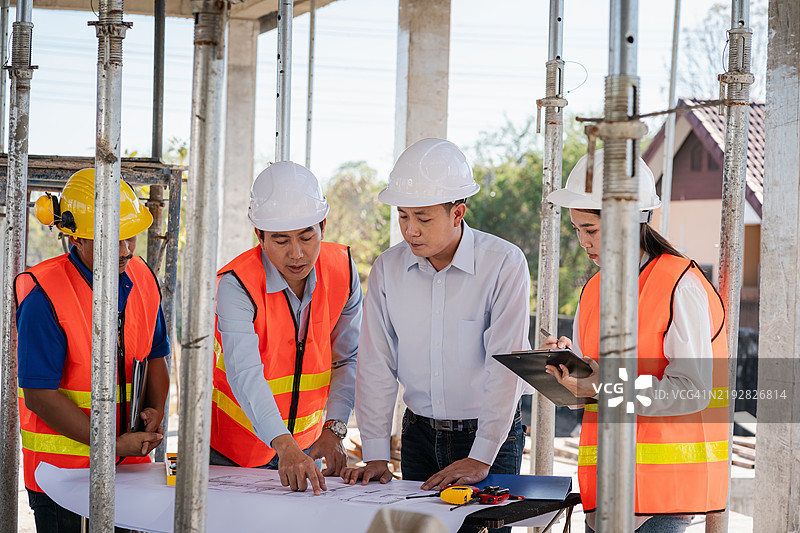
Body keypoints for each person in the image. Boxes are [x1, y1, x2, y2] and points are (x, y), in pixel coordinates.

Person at [542, 149, 729, 533]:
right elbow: (594, 388)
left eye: (591, 230)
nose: (582, 242)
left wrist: (604, 385)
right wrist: (567, 369)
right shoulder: (594, 290)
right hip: (605, 497)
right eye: (577, 229)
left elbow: (693, 391)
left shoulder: (680, 285)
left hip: (661, 503)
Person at [342, 138, 530, 491]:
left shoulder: (503, 264)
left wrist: (482, 454)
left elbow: (506, 366)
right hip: (417, 437)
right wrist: (377, 453)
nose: (410, 230)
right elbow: (375, 363)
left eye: (423, 218)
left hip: (490, 439)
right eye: (403, 216)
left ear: (457, 213)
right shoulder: (388, 269)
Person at [16, 168, 170, 533]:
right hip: (59, 475)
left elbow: (155, 355)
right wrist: (113, 443)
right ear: (76, 239)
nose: (125, 250)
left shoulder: (142, 279)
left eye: (130, 237)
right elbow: (39, 396)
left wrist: (156, 410)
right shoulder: (44, 296)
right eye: (110, 239)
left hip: (128, 470)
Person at [209, 161, 362, 496]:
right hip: (233, 455)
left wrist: (334, 430)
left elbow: (346, 360)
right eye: (280, 241)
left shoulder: (343, 273)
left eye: (307, 237)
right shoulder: (237, 285)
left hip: (306, 452)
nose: (297, 254)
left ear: (323, 225)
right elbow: (244, 371)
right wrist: (284, 446)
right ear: (259, 236)